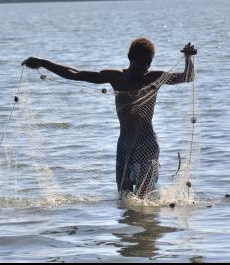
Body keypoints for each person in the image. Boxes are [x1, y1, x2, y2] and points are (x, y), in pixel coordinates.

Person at [22, 38, 197, 198]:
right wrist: (43, 63)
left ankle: (145, 228)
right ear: (130, 58)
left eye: (148, 62)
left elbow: (187, 77)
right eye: (141, 62)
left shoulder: (153, 78)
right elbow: (74, 73)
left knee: (143, 197)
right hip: (125, 145)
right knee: (125, 196)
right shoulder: (115, 77)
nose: (145, 67)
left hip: (147, 143)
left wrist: (188, 57)